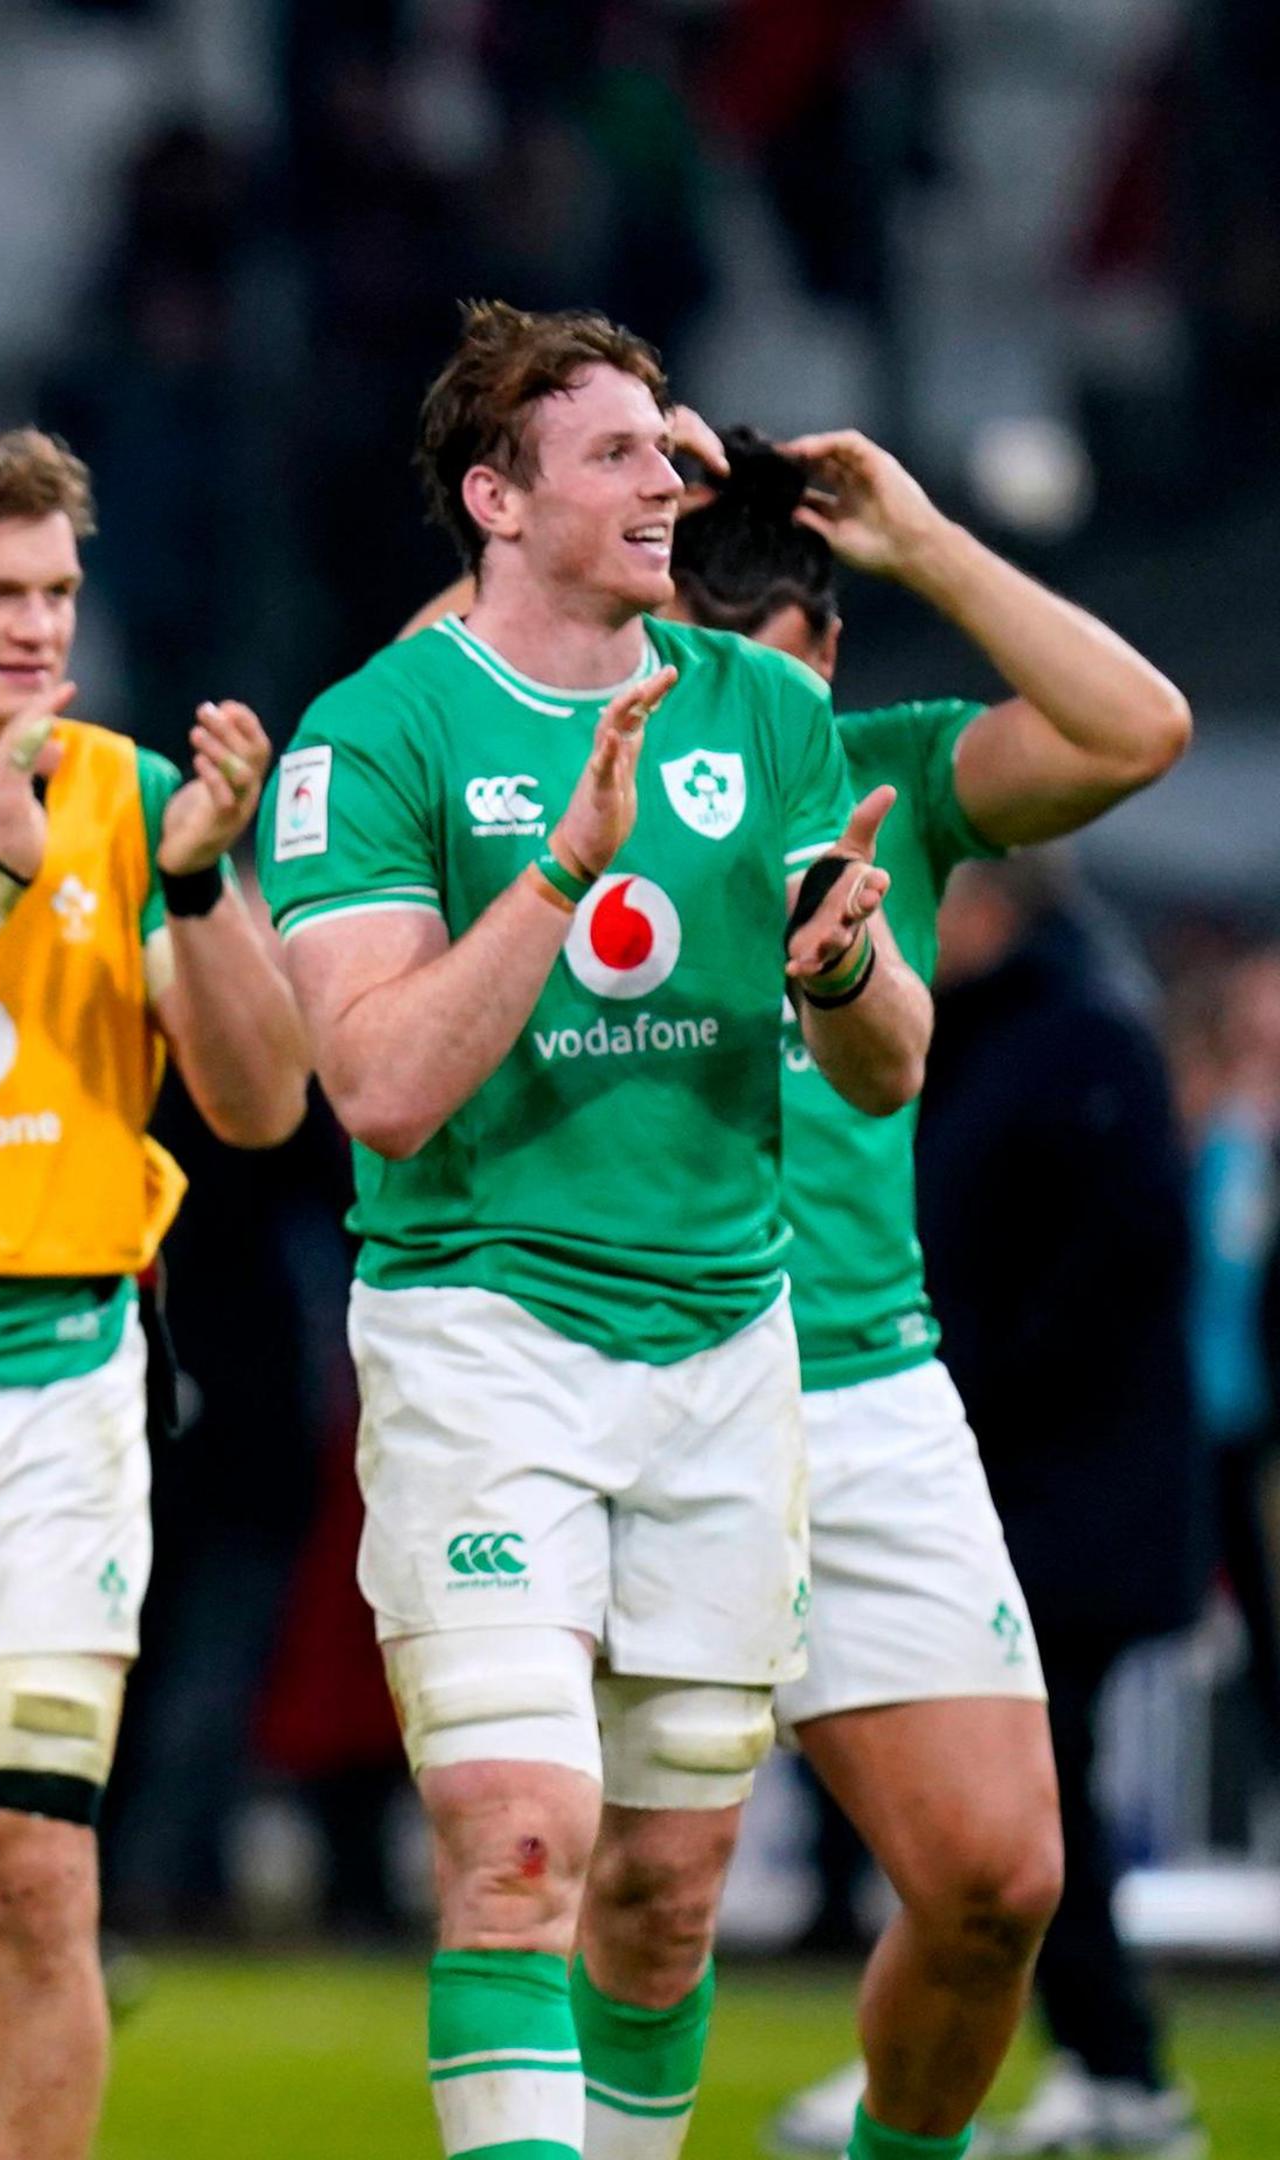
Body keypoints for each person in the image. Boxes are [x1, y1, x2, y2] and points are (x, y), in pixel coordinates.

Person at [260, 301, 926, 2160]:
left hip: (726, 1346)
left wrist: (849, 964)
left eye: (668, 446)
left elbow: (883, 1071)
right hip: (488, 1336)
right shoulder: (374, 731)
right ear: (496, 497)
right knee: (521, 1836)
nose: (669, 479)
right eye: (619, 453)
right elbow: (380, 1088)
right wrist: (565, 860)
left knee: (666, 1893)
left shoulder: (767, 708)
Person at [503, 425, 1192, 2160]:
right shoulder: (555, 815)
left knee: (995, 1883)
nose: (774, 731)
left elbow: (1138, 730)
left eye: (800, 680)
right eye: (727, 682)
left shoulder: (886, 782)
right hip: (644, 1382)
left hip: (871, 1394)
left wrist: (934, 542)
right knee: (656, 1891)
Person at [0, 417, 308, 2159]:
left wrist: (194, 876)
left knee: (29, 1878)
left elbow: (259, 1100)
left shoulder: (132, 797)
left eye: (59, 590)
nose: (37, 625)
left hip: (61, 1393)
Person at [917, 857, 1207, 2158]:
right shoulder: (1002, 1044)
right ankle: (1058, 2060)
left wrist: (964, 1389)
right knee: (1006, 1802)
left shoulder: (1075, 1044)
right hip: (1023, 1487)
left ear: (989, 909)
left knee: (1028, 1805)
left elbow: (1115, 1268)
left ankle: (1108, 2064)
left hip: (1061, 1500)